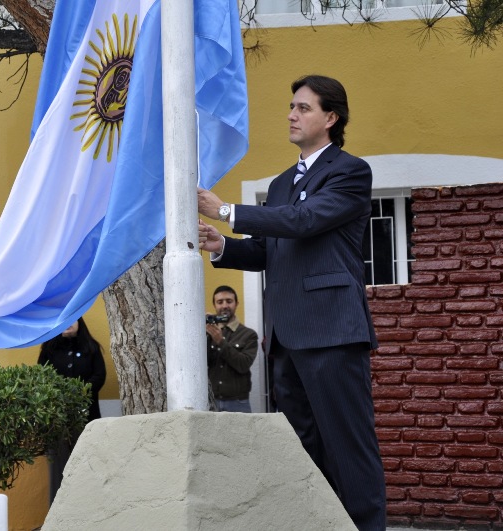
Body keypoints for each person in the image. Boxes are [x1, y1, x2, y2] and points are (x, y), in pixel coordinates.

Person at [197, 75, 386, 530]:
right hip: (284, 338)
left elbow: (305, 221)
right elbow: (267, 249)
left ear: (331, 117)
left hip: (332, 332)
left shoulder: (349, 171)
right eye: (291, 106)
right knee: (303, 448)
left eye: (303, 107)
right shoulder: (281, 184)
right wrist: (222, 244)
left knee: (348, 445)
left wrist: (228, 211)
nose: (291, 114)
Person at [38, 317, 106, 504]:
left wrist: (80, 393)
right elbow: (41, 378)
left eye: (73, 318)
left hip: (87, 418)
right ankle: (57, 510)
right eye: (64, 319)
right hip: (57, 420)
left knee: (87, 463)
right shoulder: (49, 350)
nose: (69, 322)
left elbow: (99, 376)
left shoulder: (91, 348)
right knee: (58, 465)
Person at [206, 286, 258, 413]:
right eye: (220, 302)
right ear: (214, 305)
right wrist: (201, 332)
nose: (224, 306)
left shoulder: (248, 334)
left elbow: (243, 364)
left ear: (236, 304)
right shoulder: (207, 332)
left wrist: (220, 342)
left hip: (237, 403)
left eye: (229, 301)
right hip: (211, 401)